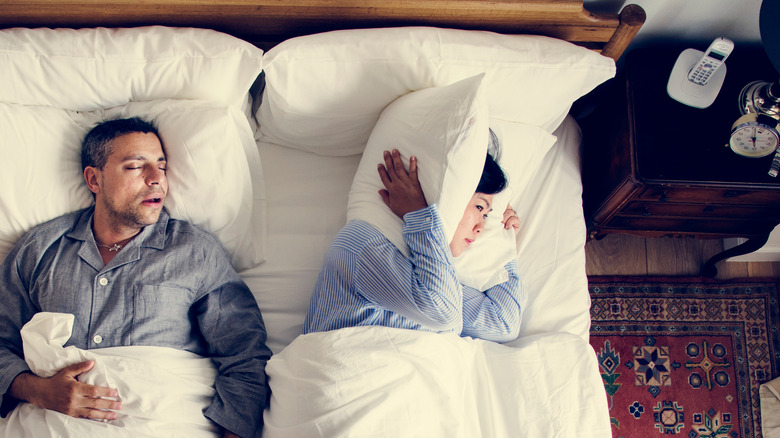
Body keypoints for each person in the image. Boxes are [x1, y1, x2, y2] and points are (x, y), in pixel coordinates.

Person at [0, 117, 271, 438]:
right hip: (53, 424)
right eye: (134, 167)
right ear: (94, 179)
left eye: (162, 166)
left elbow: (244, 356)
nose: (156, 179)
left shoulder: (196, 251)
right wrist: (39, 391)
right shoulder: (42, 248)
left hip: (167, 421)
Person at [303, 146, 526, 343]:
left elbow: (503, 323)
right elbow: (443, 312)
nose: (481, 228)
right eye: (479, 208)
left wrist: (503, 237)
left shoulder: (437, 275)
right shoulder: (361, 244)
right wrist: (418, 214)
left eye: (487, 216)